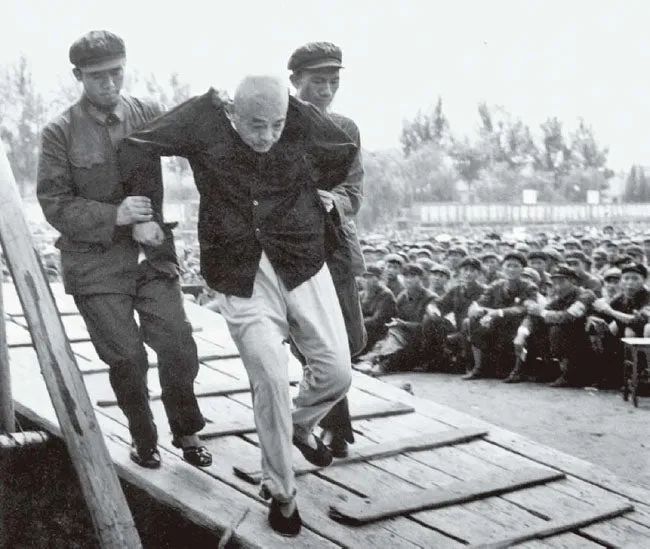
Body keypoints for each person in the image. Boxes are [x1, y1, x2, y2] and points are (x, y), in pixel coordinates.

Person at [117, 75, 356, 537]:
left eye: (276, 125)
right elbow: (137, 145)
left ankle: (297, 427)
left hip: (302, 258)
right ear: (232, 113)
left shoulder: (299, 121)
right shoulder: (204, 118)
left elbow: (341, 151)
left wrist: (312, 192)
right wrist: (145, 213)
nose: (268, 137)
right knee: (270, 377)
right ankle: (281, 492)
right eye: (256, 125)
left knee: (336, 373)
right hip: (240, 270)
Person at [36, 30, 211, 470]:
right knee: (127, 358)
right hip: (95, 266)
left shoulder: (147, 113)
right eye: (98, 76)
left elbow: (194, 138)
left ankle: (187, 431)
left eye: (116, 72)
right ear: (78, 76)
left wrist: (216, 108)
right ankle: (143, 436)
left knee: (178, 344)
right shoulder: (59, 132)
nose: (109, 83)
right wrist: (115, 215)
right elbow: (54, 204)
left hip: (151, 257)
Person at [288, 41, 366, 458]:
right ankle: (336, 427)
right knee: (312, 340)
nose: (326, 90)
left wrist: (333, 200)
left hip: (334, 245)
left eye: (333, 81)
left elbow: (354, 191)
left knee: (349, 339)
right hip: (292, 248)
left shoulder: (345, 129)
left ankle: (330, 420)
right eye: (318, 81)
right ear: (295, 81)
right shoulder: (278, 125)